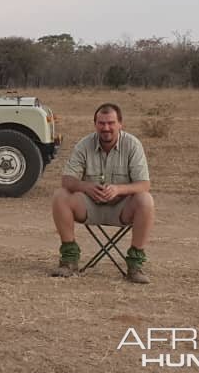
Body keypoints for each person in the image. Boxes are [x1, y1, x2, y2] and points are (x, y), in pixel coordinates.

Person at [50, 103, 156, 283]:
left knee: (145, 200)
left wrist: (119, 189)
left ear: (120, 124)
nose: (106, 128)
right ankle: (69, 260)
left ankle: (135, 265)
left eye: (111, 123)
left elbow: (144, 184)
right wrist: (86, 187)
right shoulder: (84, 145)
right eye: (101, 123)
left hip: (122, 209)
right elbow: (67, 180)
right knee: (60, 195)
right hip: (90, 207)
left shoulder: (132, 145)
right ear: (95, 124)